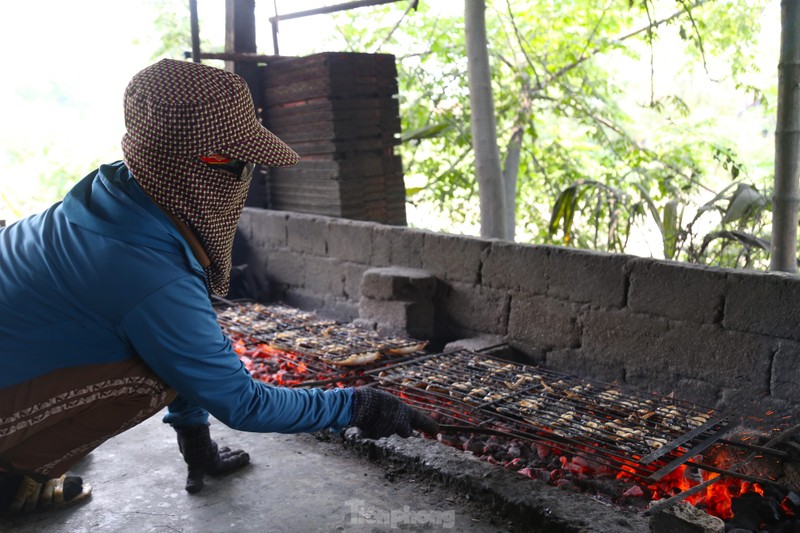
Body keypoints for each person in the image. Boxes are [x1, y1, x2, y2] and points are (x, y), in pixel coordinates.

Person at [0, 59, 438, 515]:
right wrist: (356, 404)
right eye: (230, 162)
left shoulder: (122, 189)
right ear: (174, 162)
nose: (244, 175)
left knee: (167, 351)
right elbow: (242, 403)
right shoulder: (145, 272)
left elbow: (178, 334)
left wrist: (195, 437)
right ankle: (10, 480)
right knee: (151, 377)